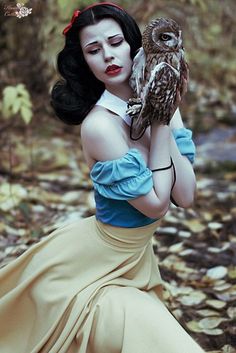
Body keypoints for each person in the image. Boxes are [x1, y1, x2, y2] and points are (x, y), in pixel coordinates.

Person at [0, 2, 205, 352]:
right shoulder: (99, 127)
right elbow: (157, 205)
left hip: (135, 259)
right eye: (94, 50)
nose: (108, 56)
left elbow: (185, 196)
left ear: (134, 45)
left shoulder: (161, 96)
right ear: (85, 61)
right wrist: (159, 124)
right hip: (94, 267)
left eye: (115, 42)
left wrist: (164, 112)